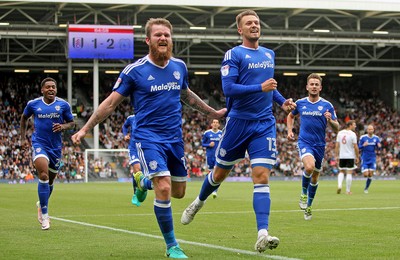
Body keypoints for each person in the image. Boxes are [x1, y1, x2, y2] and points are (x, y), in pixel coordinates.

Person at [71, 18, 226, 259]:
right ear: (148, 40)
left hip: (174, 139)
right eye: (158, 35)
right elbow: (110, 103)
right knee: (163, 187)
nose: (163, 39)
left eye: (167, 35)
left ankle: (142, 183)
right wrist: (85, 129)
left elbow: (186, 95)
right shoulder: (135, 71)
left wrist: (213, 112)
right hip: (148, 138)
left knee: (178, 192)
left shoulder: (179, 67)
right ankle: (172, 245)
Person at [181, 9, 296, 253]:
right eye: (249, 23)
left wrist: (282, 101)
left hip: (263, 124)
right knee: (219, 175)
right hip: (237, 123)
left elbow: (270, 88)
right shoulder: (233, 54)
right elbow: (229, 89)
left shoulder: (269, 54)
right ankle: (198, 202)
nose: (255, 25)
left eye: (257, 22)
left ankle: (262, 234)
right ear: (240, 30)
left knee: (261, 176)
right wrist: (260, 87)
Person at [20, 77, 75, 230]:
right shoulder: (33, 104)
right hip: (39, 144)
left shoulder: (63, 105)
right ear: (42, 90)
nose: (51, 89)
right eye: (48, 87)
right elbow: (24, 118)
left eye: (53, 87)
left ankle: (41, 203)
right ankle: (45, 216)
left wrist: (63, 127)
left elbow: (72, 123)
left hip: (55, 148)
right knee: (43, 175)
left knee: (50, 182)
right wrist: (23, 139)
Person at [286, 73, 339, 220]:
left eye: (317, 84)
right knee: (309, 167)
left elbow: (337, 128)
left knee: (315, 177)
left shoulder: (327, 105)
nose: (314, 86)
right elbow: (290, 116)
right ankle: (303, 193)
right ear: (307, 87)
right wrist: (290, 131)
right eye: (312, 84)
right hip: (305, 142)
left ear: (320, 87)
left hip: (320, 145)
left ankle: (308, 206)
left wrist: (331, 121)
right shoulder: (301, 103)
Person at [122, 114, 153, 206]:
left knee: (142, 172)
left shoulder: (149, 117)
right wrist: (125, 135)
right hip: (133, 148)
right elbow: (124, 126)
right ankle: (136, 193)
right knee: (137, 169)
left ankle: (143, 187)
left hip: (145, 148)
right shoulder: (131, 118)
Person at [335, 120, 359, 195]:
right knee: (349, 172)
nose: (355, 126)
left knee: (341, 171)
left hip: (342, 155)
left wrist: (336, 155)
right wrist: (357, 156)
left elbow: (337, 146)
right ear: (350, 125)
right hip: (350, 156)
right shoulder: (352, 134)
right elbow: (355, 147)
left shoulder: (340, 133)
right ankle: (348, 190)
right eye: (354, 125)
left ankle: (339, 185)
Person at [201, 119, 222, 198]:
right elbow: (202, 144)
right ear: (211, 124)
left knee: (217, 173)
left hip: (219, 157)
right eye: (214, 122)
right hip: (210, 156)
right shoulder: (207, 133)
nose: (215, 124)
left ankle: (215, 191)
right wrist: (208, 145)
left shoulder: (221, 133)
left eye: (217, 122)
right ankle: (207, 189)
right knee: (210, 173)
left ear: (219, 125)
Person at [358, 124, 381, 193]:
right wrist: (363, 145)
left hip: (372, 158)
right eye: (369, 129)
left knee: (370, 174)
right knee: (366, 175)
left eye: (372, 129)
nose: (370, 130)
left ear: (373, 130)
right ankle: (366, 182)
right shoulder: (363, 138)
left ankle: (366, 188)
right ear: (367, 130)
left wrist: (379, 146)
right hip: (365, 158)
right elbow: (358, 147)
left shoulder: (376, 138)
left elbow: (379, 147)